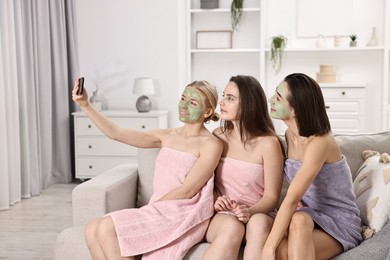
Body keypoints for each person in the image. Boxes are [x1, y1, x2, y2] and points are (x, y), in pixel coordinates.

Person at [72, 79, 223, 260]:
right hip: (159, 207)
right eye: (183, 98)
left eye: (192, 103)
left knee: (105, 228)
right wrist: (85, 105)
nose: (184, 105)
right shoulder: (164, 136)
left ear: (207, 111)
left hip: (179, 211)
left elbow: (188, 190)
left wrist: (150, 208)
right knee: (91, 229)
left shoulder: (211, 144)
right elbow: (116, 133)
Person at [262, 73, 362, 260]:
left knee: (294, 224)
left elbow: (292, 197)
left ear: (295, 110)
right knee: (284, 245)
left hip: (339, 222)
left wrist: (267, 248)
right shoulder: (289, 136)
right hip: (310, 216)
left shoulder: (320, 142)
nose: (270, 100)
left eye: (278, 97)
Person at [203, 75, 285, 259]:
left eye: (230, 98)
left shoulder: (269, 144)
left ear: (249, 103)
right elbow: (207, 183)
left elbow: (272, 196)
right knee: (232, 226)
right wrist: (217, 200)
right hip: (224, 214)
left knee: (258, 224)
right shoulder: (218, 136)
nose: (222, 102)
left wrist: (249, 211)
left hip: (259, 212)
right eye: (224, 96)